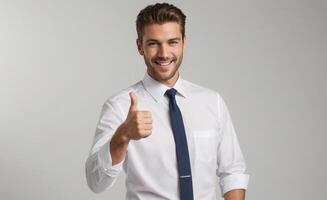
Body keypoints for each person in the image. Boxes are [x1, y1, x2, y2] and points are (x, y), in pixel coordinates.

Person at [85, 3, 249, 200]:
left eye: (172, 42)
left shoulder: (212, 101)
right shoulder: (120, 106)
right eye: (153, 43)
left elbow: (232, 171)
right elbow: (96, 182)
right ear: (140, 46)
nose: (164, 53)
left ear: (183, 43)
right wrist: (122, 136)